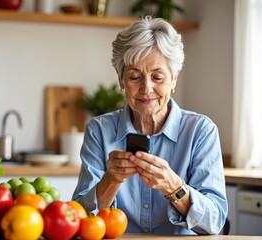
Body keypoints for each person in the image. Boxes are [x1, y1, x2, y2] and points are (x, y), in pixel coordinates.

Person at [72, 16, 228, 235]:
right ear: (120, 79)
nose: (146, 89)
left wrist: (174, 186)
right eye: (135, 77)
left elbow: (215, 222)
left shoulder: (201, 131)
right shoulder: (99, 130)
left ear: (174, 78)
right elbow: (77, 217)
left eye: (157, 77)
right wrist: (111, 179)